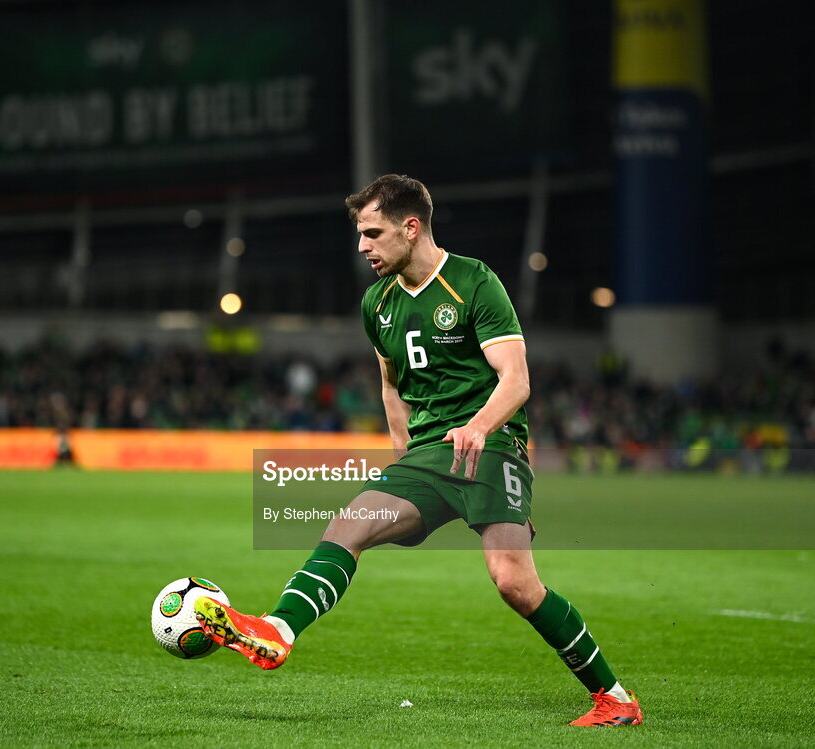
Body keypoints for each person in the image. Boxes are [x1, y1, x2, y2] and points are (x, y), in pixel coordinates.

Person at [195, 174, 643, 727]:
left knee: (515, 583)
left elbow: (517, 380)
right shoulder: (376, 304)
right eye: (361, 235)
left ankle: (615, 699)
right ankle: (277, 630)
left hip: (493, 446)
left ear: (411, 228)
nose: (363, 247)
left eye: (373, 233)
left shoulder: (474, 283)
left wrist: (478, 427)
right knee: (350, 525)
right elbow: (390, 385)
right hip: (428, 455)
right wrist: (401, 458)